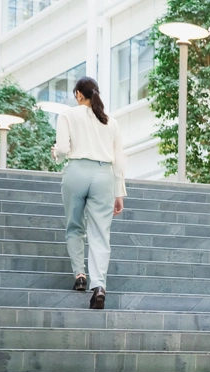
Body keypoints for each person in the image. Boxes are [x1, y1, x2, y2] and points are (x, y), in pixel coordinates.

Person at [53, 76, 125, 310]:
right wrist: (119, 193)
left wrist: (56, 154)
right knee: (100, 234)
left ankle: (80, 276)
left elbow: (63, 149)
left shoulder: (67, 115)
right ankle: (99, 286)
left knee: (74, 226)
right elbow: (119, 161)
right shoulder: (111, 122)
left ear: (78, 94)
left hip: (76, 172)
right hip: (103, 176)